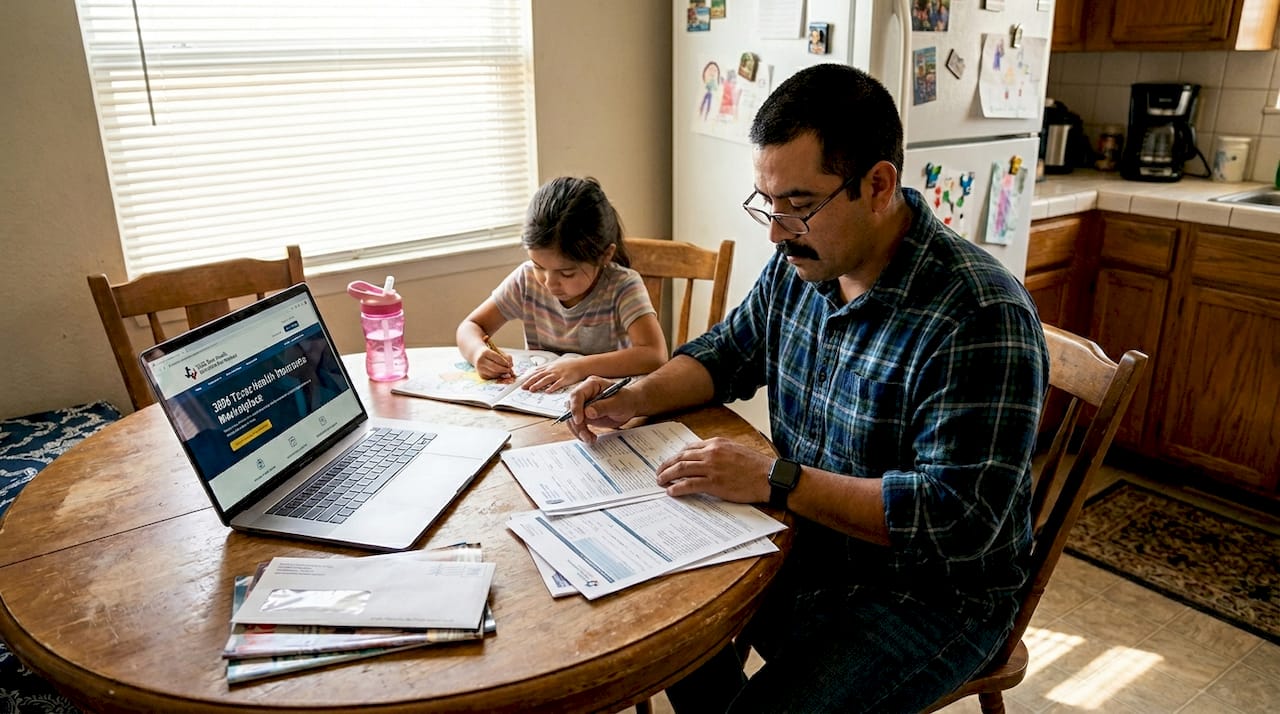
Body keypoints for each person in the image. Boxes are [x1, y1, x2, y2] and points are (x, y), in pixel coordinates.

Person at [564, 64, 1048, 713]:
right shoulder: (803, 265)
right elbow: (726, 353)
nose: (775, 230)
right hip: (812, 540)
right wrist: (632, 396)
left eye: (797, 205)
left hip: (931, 597)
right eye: (767, 203)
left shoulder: (978, 315)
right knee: (659, 626)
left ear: (878, 186)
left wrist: (775, 479)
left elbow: (955, 521)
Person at [456, 176, 667, 393]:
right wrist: (478, 353)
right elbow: (470, 326)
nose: (549, 282)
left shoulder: (622, 287)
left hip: (603, 407)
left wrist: (579, 367)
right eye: (538, 266)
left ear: (605, 256)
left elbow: (654, 354)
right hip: (539, 406)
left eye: (566, 273)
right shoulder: (527, 280)